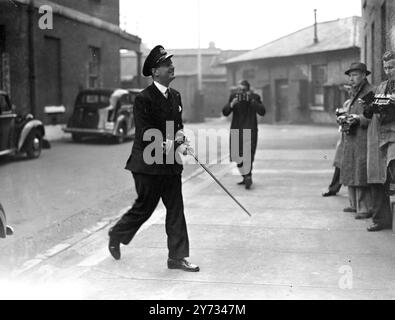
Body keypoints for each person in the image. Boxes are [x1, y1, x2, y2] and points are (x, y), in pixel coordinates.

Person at [107, 45, 199, 271]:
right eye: (167, 64)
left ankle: (177, 258)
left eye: (171, 63)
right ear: (156, 72)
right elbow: (147, 135)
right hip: (147, 164)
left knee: (176, 208)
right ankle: (117, 234)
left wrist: (182, 141)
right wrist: (173, 144)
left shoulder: (175, 96)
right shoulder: (143, 99)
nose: (172, 67)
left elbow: (177, 127)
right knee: (144, 208)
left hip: (169, 164)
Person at [362, 51, 395, 232]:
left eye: (392, 67)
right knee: (376, 178)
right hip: (380, 136)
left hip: (393, 137)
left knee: (392, 175)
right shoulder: (382, 86)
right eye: (385, 67)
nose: (388, 71)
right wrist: (370, 107)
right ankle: (381, 219)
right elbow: (370, 110)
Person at [338, 63, 375, 219]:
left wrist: (358, 119)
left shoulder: (369, 92)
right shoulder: (354, 92)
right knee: (350, 169)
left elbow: (372, 116)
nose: (351, 79)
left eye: (354, 75)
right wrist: (345, 117)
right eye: (350, 76)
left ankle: (364, 208)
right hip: (352, 136)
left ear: (363, 75)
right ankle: (354, 204)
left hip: (362, 137)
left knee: (360, 172)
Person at [222, 80, 266, 189]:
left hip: (250, 130)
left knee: (248, 155)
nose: (241, 93)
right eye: (239, 90)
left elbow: (262, 111)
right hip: (236, 130)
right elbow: (225, 112)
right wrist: (232, 104)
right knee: (237, 156)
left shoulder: (254, 97)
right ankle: (245, 175)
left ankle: (247, 176)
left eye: (244, 90)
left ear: (249, 90)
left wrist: (251, 100)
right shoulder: (234, 97)